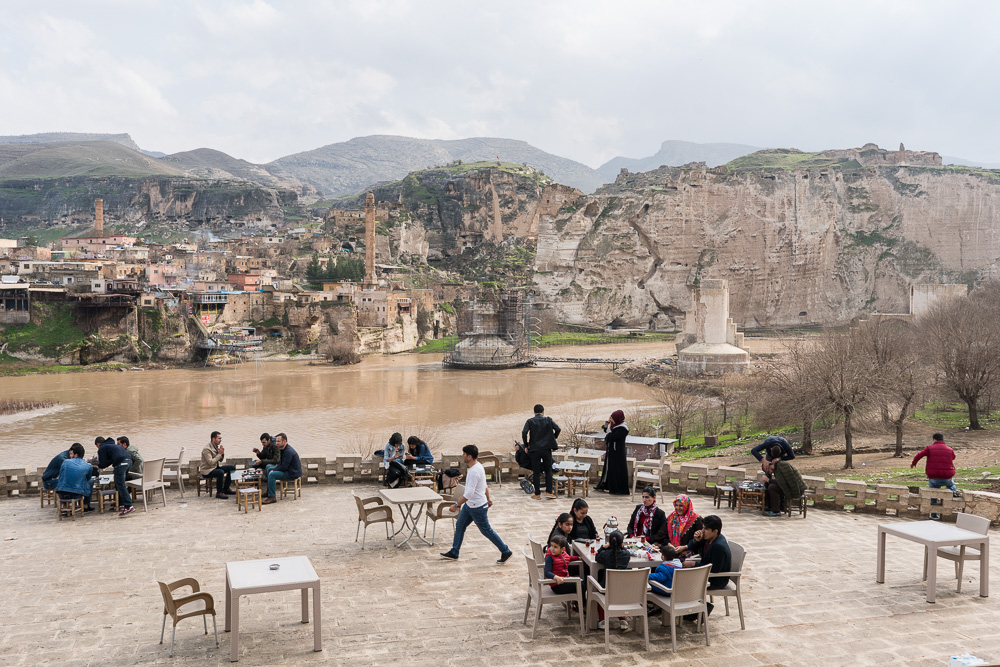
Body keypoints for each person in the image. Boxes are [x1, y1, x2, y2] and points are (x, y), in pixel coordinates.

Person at [440, 444, 512, 563]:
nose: (462, 456)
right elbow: (484, 486)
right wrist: (488, 498)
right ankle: (454, 552)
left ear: (469, 456)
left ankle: (505, 551)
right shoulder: (478, 467)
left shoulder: (474, 471)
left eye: (464, 454)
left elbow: (468, 493)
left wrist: (456, 505)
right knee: (460, 526)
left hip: (477, 507)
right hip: (470, 506)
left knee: (486, 531)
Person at [684, 514, 732, 617]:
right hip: (707, 574)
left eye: (706, 529)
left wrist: (694, 564)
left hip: (716, 580)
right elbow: (692, 548)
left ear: (715, 531)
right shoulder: (708, 538)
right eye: (702, 528)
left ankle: (700, 609)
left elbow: (714, 569)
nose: (702, 531)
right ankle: (691, 610)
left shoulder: (718, 546)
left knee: (683, 583)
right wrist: (696, 540)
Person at [911, 433, 957, 519]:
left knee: (933, 494)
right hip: (947, 476)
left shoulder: (930, 448)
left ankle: (934, 515)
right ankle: (954, 492)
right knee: (951, 484)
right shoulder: (950, 449)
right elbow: (953, 457)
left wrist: (913, 463)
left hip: (934, 477)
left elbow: (919, 455)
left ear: (934, 440)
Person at [522, 404, 560, 500]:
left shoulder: (530, 421)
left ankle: (537, 494)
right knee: (548, 470)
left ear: (534, 412)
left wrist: (526, 445)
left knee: (536, 472)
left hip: (535, 449)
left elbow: (524, 432)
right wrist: (552, 438)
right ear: (543, 411)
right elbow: (558, 429)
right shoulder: (548, 419)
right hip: (546, 449)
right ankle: (549, 492)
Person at [594, 529, 631, 629]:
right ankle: (622, 618)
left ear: (610, 542)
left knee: (599, 587)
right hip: (622, 589)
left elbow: (597, 557)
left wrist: (603, 547)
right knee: (618, 593)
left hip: (606, 589)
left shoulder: (605, 554)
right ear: (622, 543)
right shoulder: (626, 555)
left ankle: (602, 619)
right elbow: (625, 551)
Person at [652, 494, 702, 559]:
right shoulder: (672, 517)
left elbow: (699, 539)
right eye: (676, 505)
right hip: (671, 548)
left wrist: (685, 547)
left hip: (687, 550)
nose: (678, 508)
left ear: (687, 505)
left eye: (681, 506)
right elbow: (662, 534)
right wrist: (669, 544)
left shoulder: (696, 519)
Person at [95, 435, 134, 516]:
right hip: (128, 461)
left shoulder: (102, 448)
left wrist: (96, 466)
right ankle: (121, 504)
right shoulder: (112, 446)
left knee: (120, 484)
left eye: (97, 446)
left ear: (98, 444)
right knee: (118, 483)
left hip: (121, 464)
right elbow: (111, 460)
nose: (97, 448)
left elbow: (103, 464)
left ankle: (129, 506)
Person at [764, 445, 806, 517]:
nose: (769, 473)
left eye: (767, 470)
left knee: (772, 487)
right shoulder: (777, 468)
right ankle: (775, 507)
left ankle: (776, 511)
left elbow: (783, 483)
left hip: (797, 489)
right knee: (771, 486)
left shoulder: (782, 465)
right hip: (790, 487)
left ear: (769, 466)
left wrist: (769, 480)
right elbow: (781, 482)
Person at [595, 410, 629, 495]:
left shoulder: (623, 429)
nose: (612, 420)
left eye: (613, 419)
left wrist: (609, 430)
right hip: (611, 451)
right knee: (608, 468)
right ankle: (606, 484)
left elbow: (612, 437)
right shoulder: (614, 426)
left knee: (616, 470)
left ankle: (617, 488)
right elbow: (605, 429)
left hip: (618, 453)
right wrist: (608, 421)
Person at [263, 433, 302, 504]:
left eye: (278, 441)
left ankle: (272, 497)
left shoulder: (288, 451)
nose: (276, 443)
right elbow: (281, 464)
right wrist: (274, 469)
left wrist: (274, 470)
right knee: (269, 468)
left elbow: (284, 467)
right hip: (287, 469)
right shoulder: (283, 449)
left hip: (292, 472)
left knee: (272, 474)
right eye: (276, 441)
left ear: (284, 441)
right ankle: (269, 491)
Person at [56, 443, 94, 512]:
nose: (70, 456)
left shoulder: (65, 462)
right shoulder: (88, 465)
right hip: (75, 494)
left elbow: (60, 475)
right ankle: (86, 505)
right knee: (91, 481)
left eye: (71, 454)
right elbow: (88, 479)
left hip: (61, 492)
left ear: (75, 455)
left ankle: (63, 505)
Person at [200, 431, 236, 500]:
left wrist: (222, 453)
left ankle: (226, 488)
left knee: (232, 468)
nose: (221, 440)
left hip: (215, 467)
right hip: (207, 470)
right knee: (220, 472)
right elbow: (210, 462)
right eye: (219, 438)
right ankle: (219, 492)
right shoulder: (207, 449)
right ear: (213, 439)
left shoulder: (216, 447)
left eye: (221, 438)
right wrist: (219, 454)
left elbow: (220, 460)